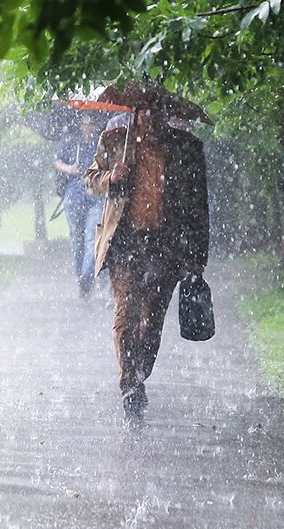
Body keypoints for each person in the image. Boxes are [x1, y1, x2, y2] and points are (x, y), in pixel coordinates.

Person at [83, 104, 210, 426]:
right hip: (125, 246)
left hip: (166, 248)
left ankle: (139, 375)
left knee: (151, 323)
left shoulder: (186, 148)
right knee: (126, 316)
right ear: (135, 114)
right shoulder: (114, 140)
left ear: (166, 114)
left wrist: (197, 257)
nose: (151, 121)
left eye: (158, 114)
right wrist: (111, 177)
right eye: (145, 114)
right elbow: (90, 180)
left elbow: (199, 204)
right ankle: (130, 387)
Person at [54, 114, 106, 299]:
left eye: (91, 124)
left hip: (95, 195)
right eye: (85, 124)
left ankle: (86, 276)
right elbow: (57, 161)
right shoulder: (70, 140)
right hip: (74, 193)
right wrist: (69, 169)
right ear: (80, 125)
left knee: (92, 237)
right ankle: (81, 278)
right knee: (77, 238)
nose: (88, 128)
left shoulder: (101, 143)